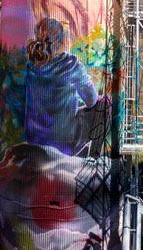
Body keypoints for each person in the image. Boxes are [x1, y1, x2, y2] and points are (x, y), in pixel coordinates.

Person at [24, 17, 105, 155]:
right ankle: (91, 158)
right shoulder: (70, 63)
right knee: (105, 104)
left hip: (34, 139)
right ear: (61, 40)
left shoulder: (31, 66)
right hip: (63, 142)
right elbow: (92, 100)